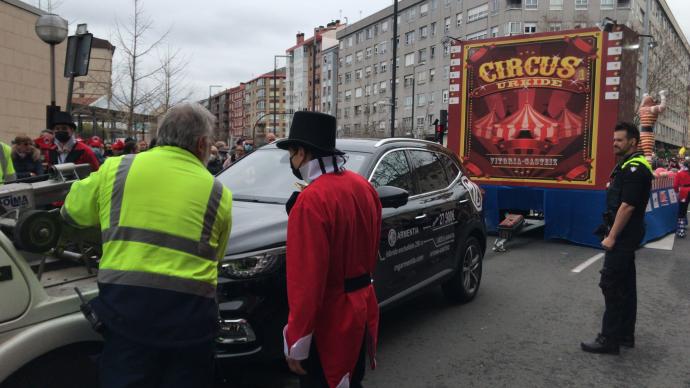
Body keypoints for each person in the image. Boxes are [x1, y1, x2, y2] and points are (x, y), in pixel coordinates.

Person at [60, 103, 233, 388]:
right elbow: (216, 256)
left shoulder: (117, 169)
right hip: (190, 321)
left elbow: (73, 212)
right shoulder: (218, 191)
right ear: (202, 143)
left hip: (125, 313)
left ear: (161, 134)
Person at [277, 111, 382, 388]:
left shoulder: (312, 200)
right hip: (361, 307)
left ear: (301, 152)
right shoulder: (363, 186)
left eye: (291, 151)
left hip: (331, 321)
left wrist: (297, 340)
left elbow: (306, 284)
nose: (291, 159)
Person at [581, 122, 652, 355]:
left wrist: (611, 237)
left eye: (619, 140)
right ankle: (624, 335)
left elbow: (628, 206)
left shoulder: (634, 169)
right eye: (613, 140)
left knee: (611, 285)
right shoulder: (630, 165)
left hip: (622, 237)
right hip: (626, 235)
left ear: (633, 141)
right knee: (626, 286)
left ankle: (608, 339)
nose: (614, 144)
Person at [637, 90, 666, 161]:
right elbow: (662, 107)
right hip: (648, 135)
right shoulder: (652, 109)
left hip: (641, 134)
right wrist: (663, 96)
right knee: (648, 155)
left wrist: (644, 97)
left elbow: (642, 104)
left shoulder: (641, 109)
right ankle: (647, 170)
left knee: (638, 154)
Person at [673, 160, 690, 238]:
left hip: (684, 192)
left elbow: (675, 185)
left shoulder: (679, 174)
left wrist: (677, 192)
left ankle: (681, 231)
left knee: (682, 212)